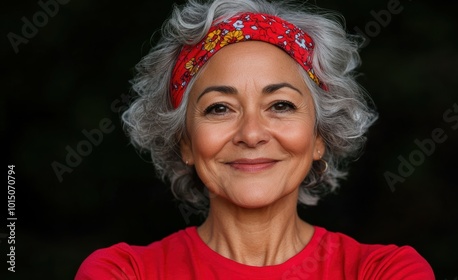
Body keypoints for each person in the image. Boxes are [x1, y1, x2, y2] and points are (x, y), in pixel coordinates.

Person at [75, 0, 435, 279]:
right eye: (219, 108)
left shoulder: (386, 272)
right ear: (184, 141)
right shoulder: (122, 272)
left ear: (319, 137)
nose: (251, 134)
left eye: (280, 105)